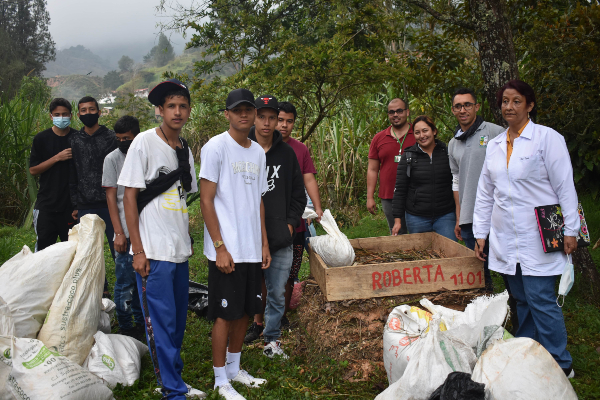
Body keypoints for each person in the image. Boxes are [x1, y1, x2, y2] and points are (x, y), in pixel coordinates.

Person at [472, 79, 578, 378]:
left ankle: (560, 363)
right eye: (505, 101)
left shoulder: (546, 139)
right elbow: (485, 193)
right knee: (520, 298)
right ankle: (529, 352)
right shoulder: (494, 146)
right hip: (505, 234)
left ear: (529, 105)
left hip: (540, 233)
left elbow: (565, 186)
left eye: (516, 101)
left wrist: (570, 229)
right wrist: (481, 234)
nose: (509, 106)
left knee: (541, 298)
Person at [118, 79, 205, 399]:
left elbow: (184, 197)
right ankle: (173, 391)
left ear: (189, 110)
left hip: (179, 251)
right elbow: (129, 198)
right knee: (160, 324)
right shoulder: (143, 142)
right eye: (171, 105)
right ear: (159, 110)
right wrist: (137, 250)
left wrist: (187, 239)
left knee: (177, 323)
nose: (178, 111)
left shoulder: (185, 150)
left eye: (183, 105)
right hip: (152, 252)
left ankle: (175, 379)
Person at [200, 88, 271, 400]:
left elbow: (258, 201)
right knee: (224, 314)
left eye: (249, 110)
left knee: (245, 311)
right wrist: (219, 247)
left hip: (251, 248)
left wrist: (264, 244)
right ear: (227, 114)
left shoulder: (258, 152)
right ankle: (219, 380)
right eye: (237, 110)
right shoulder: (216, 147)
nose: (244, 115)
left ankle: (234, 368)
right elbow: (206, 199)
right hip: (225, 249)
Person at [247, 95, 306, 359]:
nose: (268, 123)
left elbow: (298, 194)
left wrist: (291, 226)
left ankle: (272, 340)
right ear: (254, 117)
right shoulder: (243, 149)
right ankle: (245, 335)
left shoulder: (287, 154)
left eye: (273, 117)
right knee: (249, 290)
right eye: (263, 117)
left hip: (280, 237)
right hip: (247, 238)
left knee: (278, 292)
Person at [448, 88, 504, 292]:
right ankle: (489, 310)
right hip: (470, 216)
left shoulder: (495, 132)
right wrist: (459, 216)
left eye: (467, 105)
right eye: (458, 106)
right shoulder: (453, 144)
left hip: (498, 214)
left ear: (476, 107)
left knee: (508, 271)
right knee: (480, 271)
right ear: (453, 110)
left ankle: (515, 311)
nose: (463, 110)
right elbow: (456, 180)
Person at [102, 115, 144, 340]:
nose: (122, 143)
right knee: (125, 282)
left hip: (145, 231)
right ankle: (127, 326)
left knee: (141, 283)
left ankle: (141, 322)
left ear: (136, 135)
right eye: (118, 139)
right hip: (125, 232)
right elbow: (112, 199)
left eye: (126, 138)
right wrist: (118, 233)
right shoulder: (112, 159)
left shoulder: (145, 155)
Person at [69, 96, 117, 297]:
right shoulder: (74, 140)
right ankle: (101, 291)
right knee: (91, 252)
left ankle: (128, 290)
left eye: (91, 109)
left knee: (119, 248)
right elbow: (72, 173)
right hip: (85, 204)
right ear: (78, 114)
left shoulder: (112, 137)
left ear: (99, 112)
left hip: (111, 203)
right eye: (83, 110)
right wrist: (75, 203)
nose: (87, 114)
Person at [391, 115, 456, 240]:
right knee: (422, 255)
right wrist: (398, 220)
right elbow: (400, 190)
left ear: (434, 131)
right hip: (417, 217)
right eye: (417, 132)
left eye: (425, 130)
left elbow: (457, 183)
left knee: (449, 254)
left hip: (445, 216)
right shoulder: (408, 156)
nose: (422, 135)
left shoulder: (447, 153)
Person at [29, 98, 77, 252]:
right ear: (51, 116)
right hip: (46, 206)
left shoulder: (77, 138)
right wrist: (57, 157)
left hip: (70, 207)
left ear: (71, 115)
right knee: (42, 252)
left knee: (72, 251)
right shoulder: (41, 139)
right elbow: (33, 170)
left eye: (65, 114)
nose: (61, 117)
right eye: (57, 114)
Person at [368, 98, 415, 234]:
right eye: (391, 112)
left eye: (399, 111)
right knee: (396, 233)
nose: (395, 115)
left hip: (415, 194)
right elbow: (372, 169)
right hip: (389, 195)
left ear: (407, 112)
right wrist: (370, 197)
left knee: (417, 233)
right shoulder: (379, 138)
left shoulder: (418, 134)